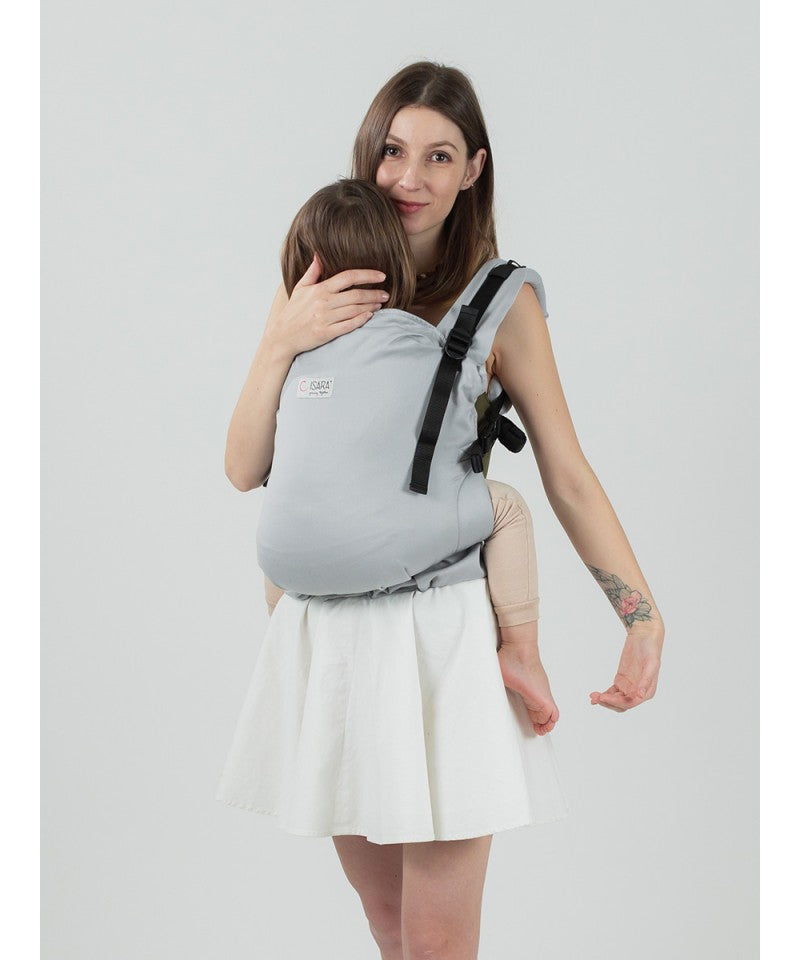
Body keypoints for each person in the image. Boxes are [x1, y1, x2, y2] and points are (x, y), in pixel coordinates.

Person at [218, 61, 665, 959]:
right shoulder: (317, 277)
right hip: (330, 633)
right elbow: (244, 468)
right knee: (387, 927)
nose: (409, 178)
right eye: (393, 151)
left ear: (473, 170)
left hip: (444, 634)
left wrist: (641, 616)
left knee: (435, 944)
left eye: (439, 156)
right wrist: (279, 342)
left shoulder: (505, 301)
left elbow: (566, 473)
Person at [260, 175, 557, 735]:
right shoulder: (427, 344)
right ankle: (522, 653)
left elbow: (251, 468)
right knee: (508, 509)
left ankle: (293, 661)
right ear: (398, 263)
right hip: (388, 546)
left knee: (298, 519)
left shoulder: (295, 349)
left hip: (283, 562)